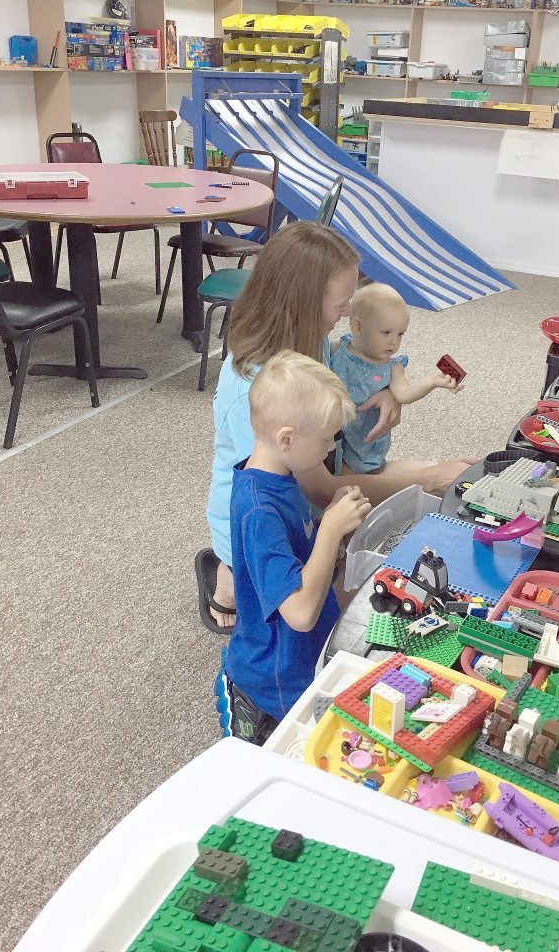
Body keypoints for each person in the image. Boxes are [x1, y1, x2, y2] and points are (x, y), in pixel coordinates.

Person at [197, 221, 476, 634]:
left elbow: (345, 364)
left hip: (316, 478)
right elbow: (320, 490)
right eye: (341, 303)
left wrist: (388, 391)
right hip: (268, 515)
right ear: (302, 304)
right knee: (322, 610)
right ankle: (227, 580)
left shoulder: (309, 337)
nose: (347, 313)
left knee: (441, 476)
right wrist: (431, 477)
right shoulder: (255, 384)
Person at [219, 351, 371, 743]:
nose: (331, 448)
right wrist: (330, 532)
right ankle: (244, 708)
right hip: (274, 676)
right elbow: (300, 614)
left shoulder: (281, 475)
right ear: (286, 438)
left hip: (303, 656)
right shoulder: (258, 509)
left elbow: (295, 552)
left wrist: (327, 521)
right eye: (325, 439)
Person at [330, 283, 463, 474]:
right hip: (333, 430)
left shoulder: (393, 366)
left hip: (364, 440)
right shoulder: (336, 348)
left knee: (361, 475)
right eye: (386, 332)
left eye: (400, 334)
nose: (394, 341)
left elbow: (404, 394)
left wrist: (432, 381)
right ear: (358, 326)